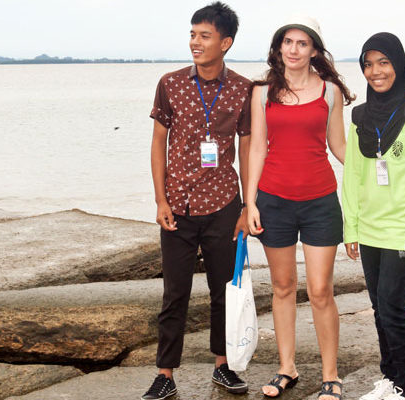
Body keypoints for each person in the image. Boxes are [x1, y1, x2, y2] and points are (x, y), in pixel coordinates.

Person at [143, 2, 252, 399]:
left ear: (226, 42)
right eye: (192, 34)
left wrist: (247, 206)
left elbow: (247, 148)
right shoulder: (170, 84)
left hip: (224, 203)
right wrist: (160, 200)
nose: (195, 42)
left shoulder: (243, 89)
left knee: (225, 291)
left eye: (205, 36)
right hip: (178, 205)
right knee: (175, 294)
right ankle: (165, 374)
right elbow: (158, 143)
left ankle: (223, 366)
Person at [246, 15, 354, 400]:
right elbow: (257, 149)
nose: (293, 49)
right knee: (282, 287)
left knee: (321, 290)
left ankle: (331, 376)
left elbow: (339, 147)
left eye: (302, 43)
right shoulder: (262, 92)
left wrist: (377, 175)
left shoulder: (329, 92)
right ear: (279, 48)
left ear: (314, 51)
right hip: (273, 201)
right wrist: (249, 203)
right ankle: (286, 367)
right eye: (287, 42)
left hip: (320, 201)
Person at [342, 32, 405, 400]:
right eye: (368, 64)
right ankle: (390, 379)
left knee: (392, 307)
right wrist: (351, 228)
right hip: (369, 228)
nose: (375, 71)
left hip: (403, 227)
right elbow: (352, 176)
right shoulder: (359, 117)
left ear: (398, 65)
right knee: (378, 308)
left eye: (383, 62)